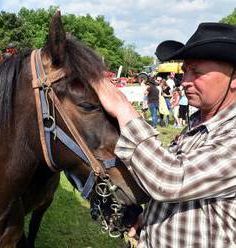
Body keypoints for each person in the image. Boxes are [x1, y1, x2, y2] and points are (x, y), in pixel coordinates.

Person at [90, 22, 236, 247]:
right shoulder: (197, 123)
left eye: (196, 71)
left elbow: (171, 180)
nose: (185, 81)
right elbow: (186, 197)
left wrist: (123, 109)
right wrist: (149, 219)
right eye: (185, 70)